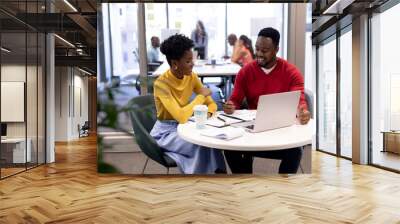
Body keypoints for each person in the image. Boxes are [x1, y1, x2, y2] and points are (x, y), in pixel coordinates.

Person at [223, 27, 311, 174]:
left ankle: (281, 189)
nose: (258, 54)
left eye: (264, 50)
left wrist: (303, 111)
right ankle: (246, 184)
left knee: (295, 153)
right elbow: (235, 99)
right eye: (257, 49)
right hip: (253, 132)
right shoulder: (245, 72)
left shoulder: (291, 72)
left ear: (276, 49)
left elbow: (300, 101)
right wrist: (230, 105)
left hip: (280, 131)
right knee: (230, 150)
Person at [150, 34, 226, 174]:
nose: (193, 64)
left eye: (192, 59)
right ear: (175, 64)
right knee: (200, 145)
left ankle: (216, 178)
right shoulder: (161, 84)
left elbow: (212, 104)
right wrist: (201, 96)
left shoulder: (191, 76)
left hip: (186, 126)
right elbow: (181, 116)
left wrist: (207, 115)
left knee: (212, 142)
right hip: (165, 132)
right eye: (188, 61)